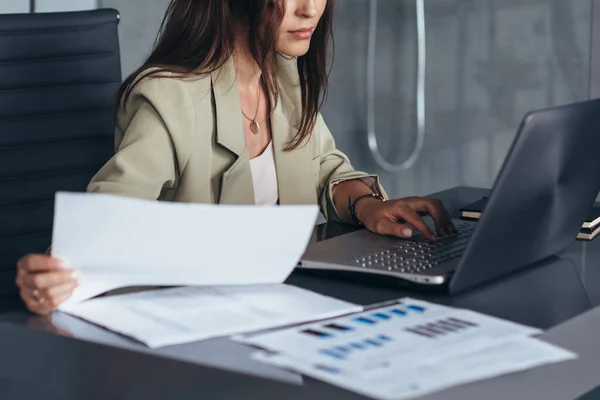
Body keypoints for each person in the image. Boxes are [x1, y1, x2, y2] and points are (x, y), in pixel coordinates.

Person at [16, 0, 455, 315]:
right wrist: (54, 279)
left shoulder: (282, 75)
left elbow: (323, 168)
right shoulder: (169, 99)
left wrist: (369, 205)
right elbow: (106, 219)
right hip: (196, 325)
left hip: (284, 309)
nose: (311, 10)